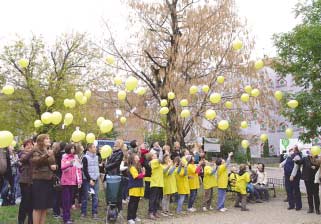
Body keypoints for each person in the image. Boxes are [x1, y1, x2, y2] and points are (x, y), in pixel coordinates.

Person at [31, 134, 56, 224]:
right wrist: (46, 155)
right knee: (38, 207)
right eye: (47, 138)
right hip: (39, 181)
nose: (49, 140)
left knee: (45, 207)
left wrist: (55, 166)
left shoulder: (49, 150)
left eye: (49, 138)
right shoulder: (36, 149)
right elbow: (36, 162)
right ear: (41, 141)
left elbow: (53, 163)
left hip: (48, 180)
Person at [61, 144, 82, 224]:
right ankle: (66, 219)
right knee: (66, 201)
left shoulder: (75, 157)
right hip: (66, 182)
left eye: (74, 148)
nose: (73, 150)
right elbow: (62, 167)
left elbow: (78, 169)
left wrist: (79, 181)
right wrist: (70, 163)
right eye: (71, 148)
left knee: (70, 201)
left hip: (73, 182)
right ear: (68, 149)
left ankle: (68, 217)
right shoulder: (64, 156)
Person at [81, 143, 100, 219]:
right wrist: (90, 179)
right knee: (85, 196)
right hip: (87, 180)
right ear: (89, 149)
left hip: (96, 179)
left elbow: (96, 167)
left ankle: (94, 213)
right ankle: (83, 212)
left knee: (95, 197)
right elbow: (84, 170)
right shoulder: (85, 157)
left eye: (95, 147)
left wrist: (97, 176)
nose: (95, 148)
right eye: (94, 147)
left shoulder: (97, 157)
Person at [105, 139, 124, 212]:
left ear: (119, 144)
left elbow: (116, 163)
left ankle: (117, 207)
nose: (114, 144)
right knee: (110, 190)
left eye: (116, 143)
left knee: (116, 192)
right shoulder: (113, 152)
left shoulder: (120, 153)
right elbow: (110, 161)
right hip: (109, 173)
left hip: (114, 173)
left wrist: (107, 167)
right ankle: (110, 206)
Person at [280, 146, 302, 210]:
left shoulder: (297, 156)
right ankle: (291, 204)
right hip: (287, 175)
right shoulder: (290, 155)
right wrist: (281, 165)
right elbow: (285, 162)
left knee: (296, 191)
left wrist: (292, 175)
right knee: (289, 190)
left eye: (292, 149)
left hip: (294, 176)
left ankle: (298, 205)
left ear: (296, 150)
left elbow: (296, 167)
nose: (291, 150)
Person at [18, 139, 34, 224]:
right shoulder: (22, 153)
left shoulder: (34, 154)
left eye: (31, 144)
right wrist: (32, 152)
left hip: (33, 181)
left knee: (31, 202)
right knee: (25, 202)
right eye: (27, 145)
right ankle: (21, 220)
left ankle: (30, 221)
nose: (29, 146)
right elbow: (24, 159)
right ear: (24, 147)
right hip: (25, 181)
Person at [127, 153, 145, 224]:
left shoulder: (138, 166)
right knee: (132, 203)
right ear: (133, 159)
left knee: (136, 202)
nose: (138, 158)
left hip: (139, 187)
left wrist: (142, 173)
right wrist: (143, 173)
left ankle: (134, 216)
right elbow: (136, 176)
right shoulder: (132, 167)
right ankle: (129, 218)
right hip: (134, 187)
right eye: (136, 157)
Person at [52, 142, 66, 218]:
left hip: (55, 175)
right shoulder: (60, 155)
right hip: (58, 176)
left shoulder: (53, 155)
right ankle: (56, 212)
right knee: (57, 195)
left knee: (56, 195)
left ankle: (56, 211)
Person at [148, 151, 164, 219]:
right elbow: (160, 159)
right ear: (151, 157)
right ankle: (151, 212)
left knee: (157, 199)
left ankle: (155, 212)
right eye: (154, 155)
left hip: (159, 183)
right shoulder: (153, 161)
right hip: (155, 183)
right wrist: (161, 151)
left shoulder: (158, 163)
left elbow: (163, 169)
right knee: (153, 199)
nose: (156, 156)